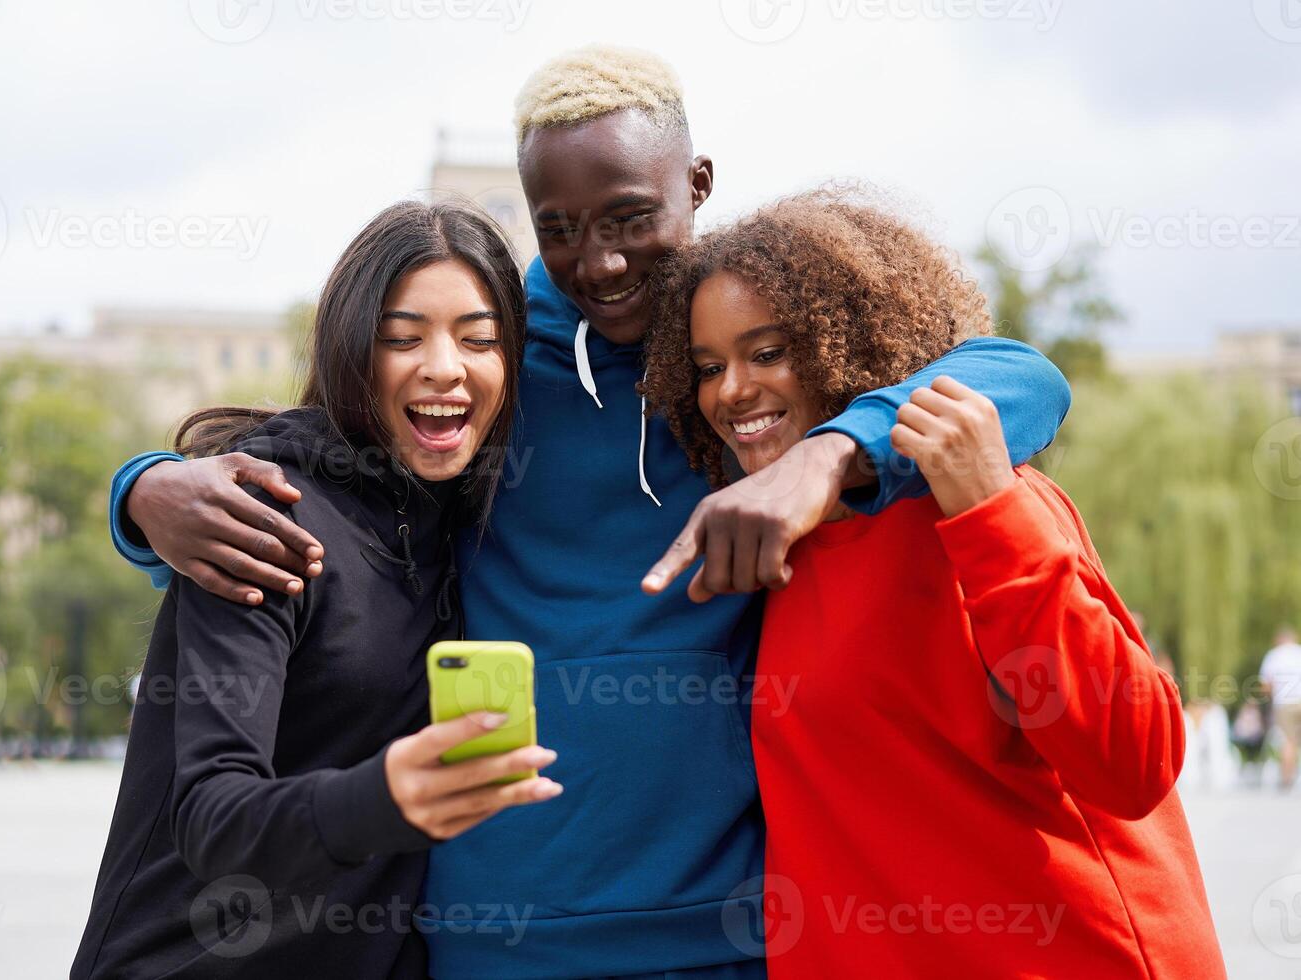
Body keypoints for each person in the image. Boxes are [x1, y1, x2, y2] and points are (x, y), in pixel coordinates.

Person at [103, 48, 1072, 978]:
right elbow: (339, 493)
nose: (599, 260)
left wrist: (825, 456)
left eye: (628, 216)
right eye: (558, 227)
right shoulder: (494, 357)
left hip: (722, 926)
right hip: (491, 932)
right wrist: (143, 493)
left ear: (696, 183)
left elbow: (1020, 378)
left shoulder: (756, 370)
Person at [641, 188, 1225, 977]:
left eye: (769, 353)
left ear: (844, 342)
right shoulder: (768, 548)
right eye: (709, 368)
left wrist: (988, 508)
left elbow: (1134, 761)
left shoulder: (975, 504)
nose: (731, 390)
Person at [71, 200, 562, 979]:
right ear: (351, 350)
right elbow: (210, 812)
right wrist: (384, 798)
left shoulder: (471, 517)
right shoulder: (263, 514)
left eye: (479, 339)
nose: (444, 365)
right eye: (403, 337)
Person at [1260, 625, 1301, 789]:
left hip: (1284, 703)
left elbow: (1265, 685)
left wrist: (1272, 698)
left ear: (1279, 640)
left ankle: (1287, 780)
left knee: (1289, 742)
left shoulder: (1274, 655)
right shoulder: (1299, 652)